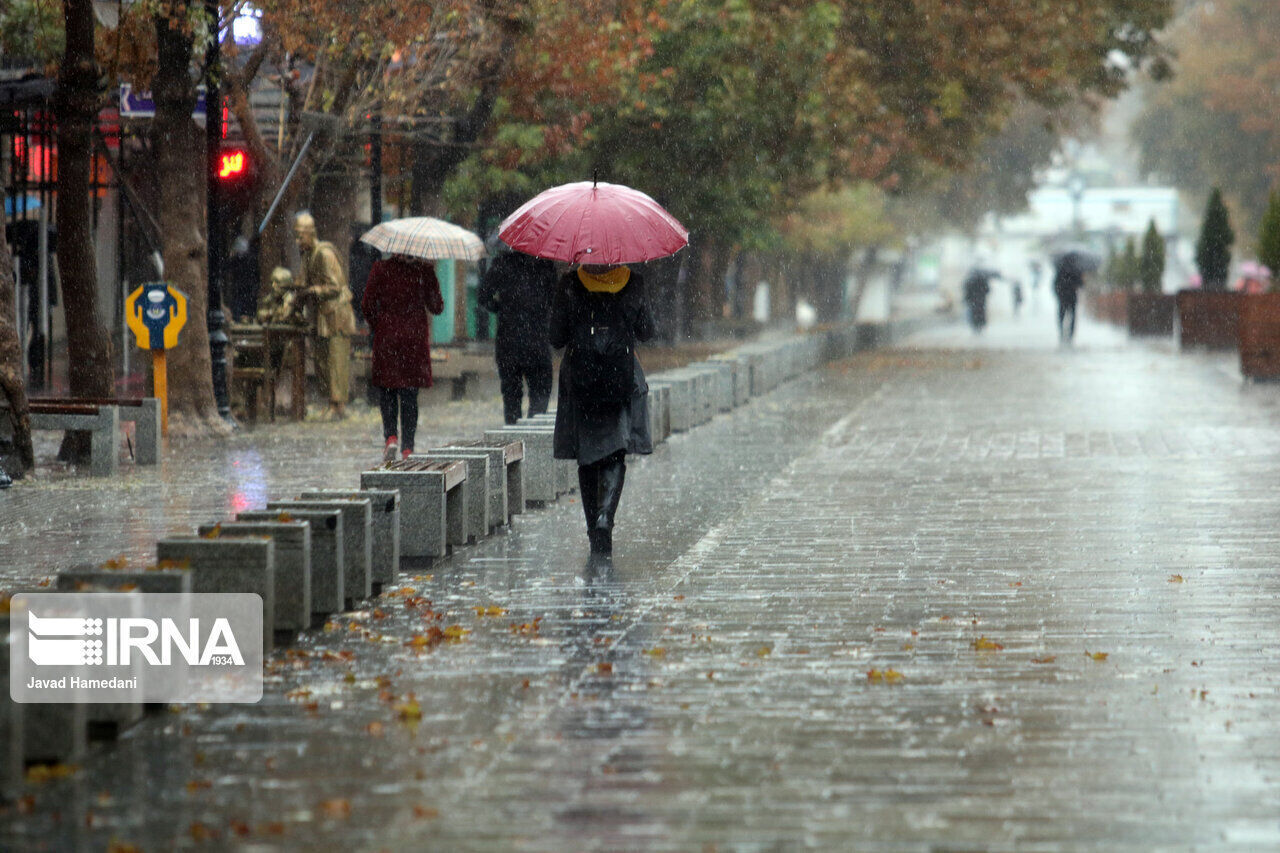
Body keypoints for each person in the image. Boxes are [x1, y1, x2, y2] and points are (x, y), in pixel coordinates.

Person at [550, 262, 655, 561]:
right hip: (619, 378)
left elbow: (555, 337)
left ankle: (593, 531)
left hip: (581, 381)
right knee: (615, 451)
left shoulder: (570, 284)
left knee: (588, 456)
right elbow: (647, 332)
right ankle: (605, 518)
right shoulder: (633, 283)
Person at [360, 254, 444, 461]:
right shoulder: (424, 271)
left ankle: (390, 437)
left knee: (387, 391)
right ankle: (408, 448)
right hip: (413, 340)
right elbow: (437, 307)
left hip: (387, 337)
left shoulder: (380, 268)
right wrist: (431, 281)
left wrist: (378, 325)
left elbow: (366, 304)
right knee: (409, 395)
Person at [477, 248, 556, 424]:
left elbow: (483, 295)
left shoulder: (502, 263)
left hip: (509, 339)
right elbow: (554, 299)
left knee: (511, 396)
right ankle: (533, 435)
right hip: (538, 339)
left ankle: (514, 438)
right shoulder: (545, 263)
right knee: (540, 393)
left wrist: (500, 308)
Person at [294, 212, 356, 420]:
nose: (297, 241)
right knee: (323, 360)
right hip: (323, 314)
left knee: (336, 359)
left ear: (310, 234)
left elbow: (335, 286)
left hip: (336, 314)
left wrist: (314, 290)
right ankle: (331, 400)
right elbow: (303, 281)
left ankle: (338, 404)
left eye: (300, 236)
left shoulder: (324, 254)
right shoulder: (309, 255)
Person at [1053, 253, 1086, 344]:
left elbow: (1055, 284)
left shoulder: (1060, 269)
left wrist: (1058, 293)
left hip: (1062, 296)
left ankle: (1061, 332)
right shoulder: (1076, 270)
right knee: (1072, 315)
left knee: (1062, 315)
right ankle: (1071, 335)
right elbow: (1081, 284)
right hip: (1072, 296)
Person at [962, 268, 996, 333]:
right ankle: (980, 325)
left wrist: (967, 298)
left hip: (973, 301)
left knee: (974, 313)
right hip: (981, 301)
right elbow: (987, 290)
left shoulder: (970, 280)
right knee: (980, 313)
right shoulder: (982, 280)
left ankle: (975, 325)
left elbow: (966, 291)